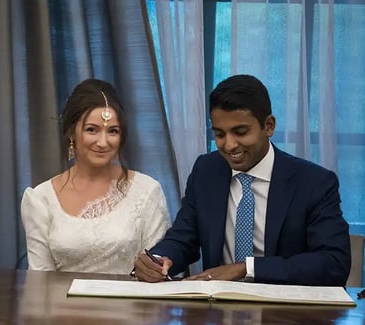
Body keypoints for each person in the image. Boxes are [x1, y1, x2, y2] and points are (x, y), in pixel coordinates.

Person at [134, 74, 351, 286]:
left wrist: (246, 269)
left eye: (240, 132)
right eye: (219, 134)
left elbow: (333, 263)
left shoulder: (313, 182)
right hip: (218, 313)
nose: (229, 145)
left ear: (268, 126)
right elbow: (183, 239)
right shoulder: (206, 171)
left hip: (286, 312)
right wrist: (159, 259)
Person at [21, 78, 170, 274]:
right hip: (61, 304)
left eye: (113, 131)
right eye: (92, 130)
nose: (103, 142)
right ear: (72, 133)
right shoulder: (41, 199)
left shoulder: (147, 191)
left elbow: (157, 270)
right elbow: (40, 280)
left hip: (133, 303)